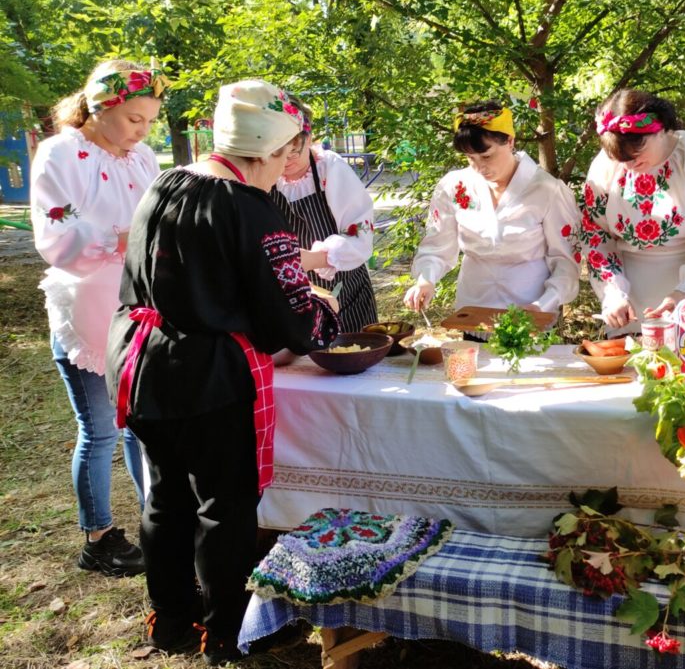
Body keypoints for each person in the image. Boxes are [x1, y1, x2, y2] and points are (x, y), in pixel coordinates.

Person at [105, 80, 340, 664]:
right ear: (263, 151)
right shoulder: (247, 207)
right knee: (225, 508)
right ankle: (224, 632)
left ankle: (171, 622)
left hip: (141, 363)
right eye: (286, 155)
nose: (287, 169)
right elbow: (289, 317)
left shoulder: (166, 181)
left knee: (165, 499)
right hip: (208, 375)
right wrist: (324, 314)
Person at [31, 59, 168, 577]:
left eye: (150, 120)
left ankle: (156, 518)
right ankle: (98, 535)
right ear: (100, 106)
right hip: (87, 308)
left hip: (140, 308)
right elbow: (56, 238)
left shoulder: (141, 157)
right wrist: (120, 239)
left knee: (140, 425)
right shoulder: (61, 153)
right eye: (135, 119)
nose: (144, 131)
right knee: (100, 430)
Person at [583, 89, 685, 333]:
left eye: (637, 153)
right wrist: (613, 292)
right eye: (620, 158)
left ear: (659, 129)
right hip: (631, 292)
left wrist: (683, 293)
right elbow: (596, 236)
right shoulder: (605, 166)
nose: (630, 165)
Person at [403, 101, 580, 317]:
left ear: (510, 141)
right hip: (473, 307)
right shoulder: (454, 186)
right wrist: (426, 279)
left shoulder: (547, 191)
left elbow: (566, 260)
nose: (479, 167)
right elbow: (437, 244)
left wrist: (544, 303)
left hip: (531, 308)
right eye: (470, 158)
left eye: (486, 156)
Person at [270, 94, 378, 332]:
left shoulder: (329, 168)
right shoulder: (265, 176)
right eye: (278, 153)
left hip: (347, 293)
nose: (286, 162)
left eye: (294, 152)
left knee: (352, 356)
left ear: (308, 138)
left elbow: (361, 233)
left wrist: (314, 259)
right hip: (293, 297)